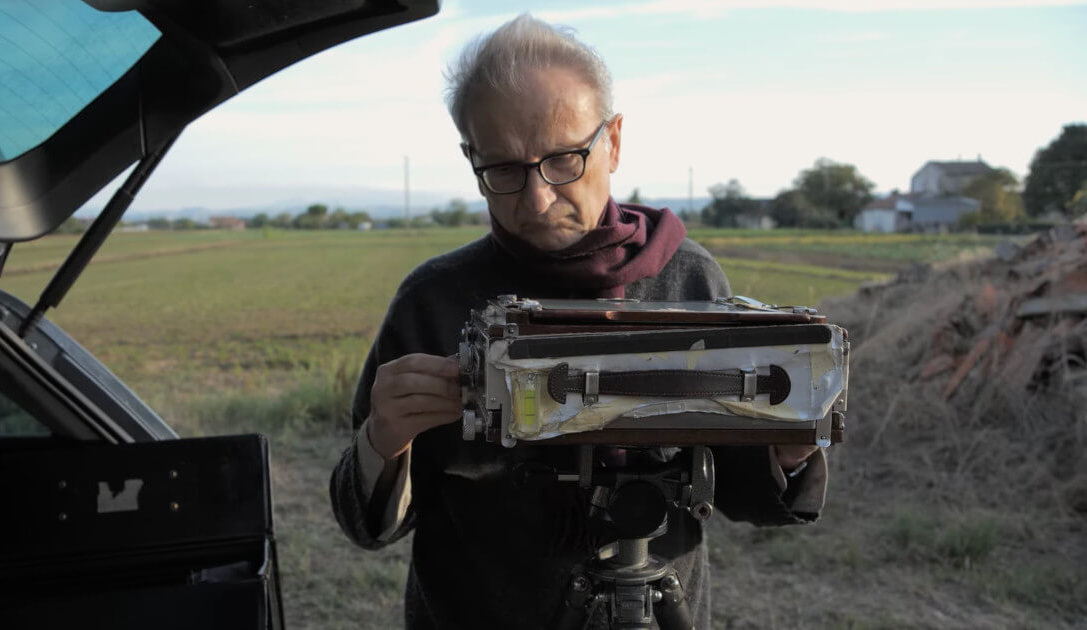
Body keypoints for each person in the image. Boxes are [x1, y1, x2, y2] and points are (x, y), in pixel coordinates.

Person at [330, 14, 827, 630]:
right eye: (504, 170)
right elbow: (367, 523)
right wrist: (384, 443)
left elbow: (742, 491)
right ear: (471, 158)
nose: (537, 199)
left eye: (563, 159)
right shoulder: (433, 300)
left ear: (613, 141)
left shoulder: (691, 283)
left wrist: (790, 450)